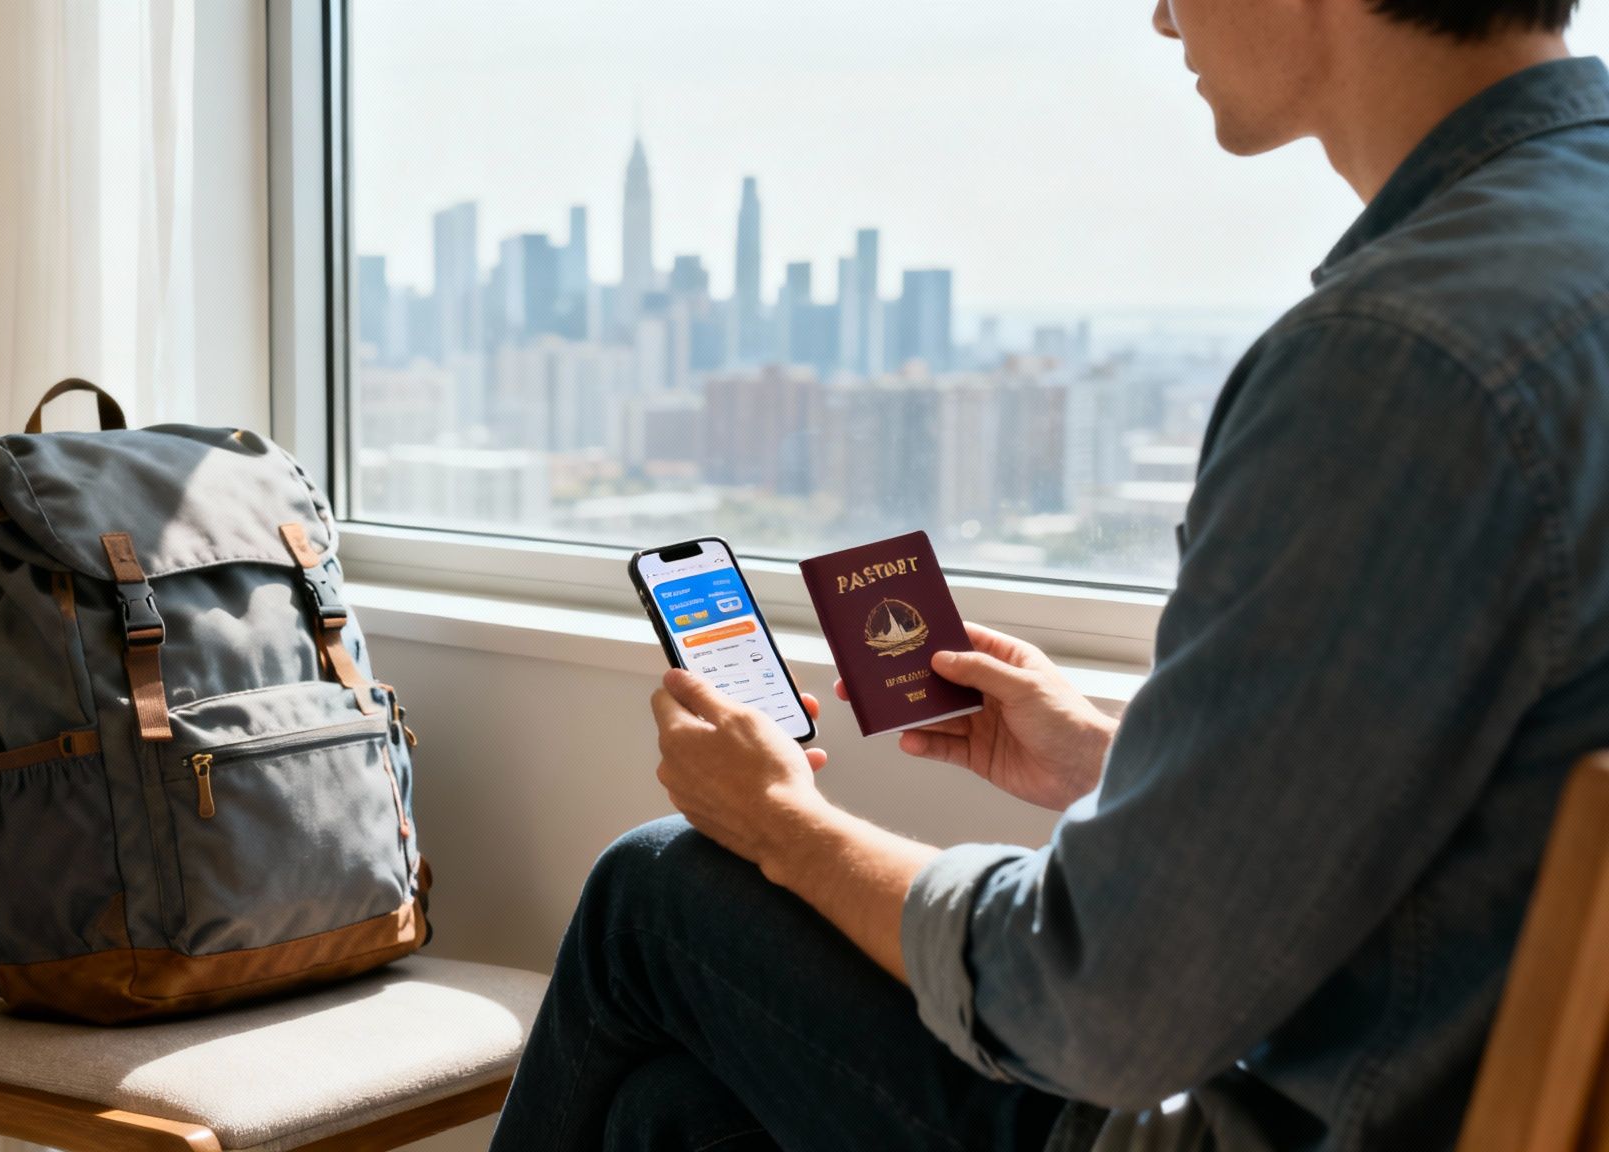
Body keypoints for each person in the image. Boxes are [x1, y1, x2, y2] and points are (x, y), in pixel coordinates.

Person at [488, 0, 1609, 1148]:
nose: (1162, 17)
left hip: (1294, 1114)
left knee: (656, 890)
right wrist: (1118, 768)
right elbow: (1453, 787)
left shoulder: (1393, 364)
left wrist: (783, 824)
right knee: (666, 1119)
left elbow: (1103, 1005)